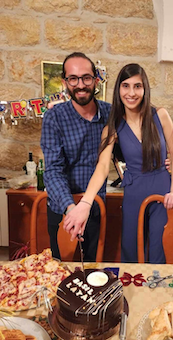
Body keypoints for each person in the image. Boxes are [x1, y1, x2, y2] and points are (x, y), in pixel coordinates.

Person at [63, 63, 173, 263]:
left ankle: (159, 293)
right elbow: (101, 168)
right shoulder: (112, 128)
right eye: (126, 86)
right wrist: (85, 203)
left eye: (137, 86)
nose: (131, 92)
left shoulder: (160, 115)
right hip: (134, 192)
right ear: (118, 89)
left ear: (145, 89)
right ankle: (132, 293)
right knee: (131, 250)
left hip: (162, 192)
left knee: (159, 250)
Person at [40, 52, 111, 261]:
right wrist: (72, 209)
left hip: (96, 208)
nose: (80, 85)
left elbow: (126, 149)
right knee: (61, 274)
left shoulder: (110, 113)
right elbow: (52, 171)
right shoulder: (54, 117)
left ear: (95, 80)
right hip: (64, 211)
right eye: (73, 78)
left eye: (86, 78)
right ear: (65, 82)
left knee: (91, 273)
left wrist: (160, 160)